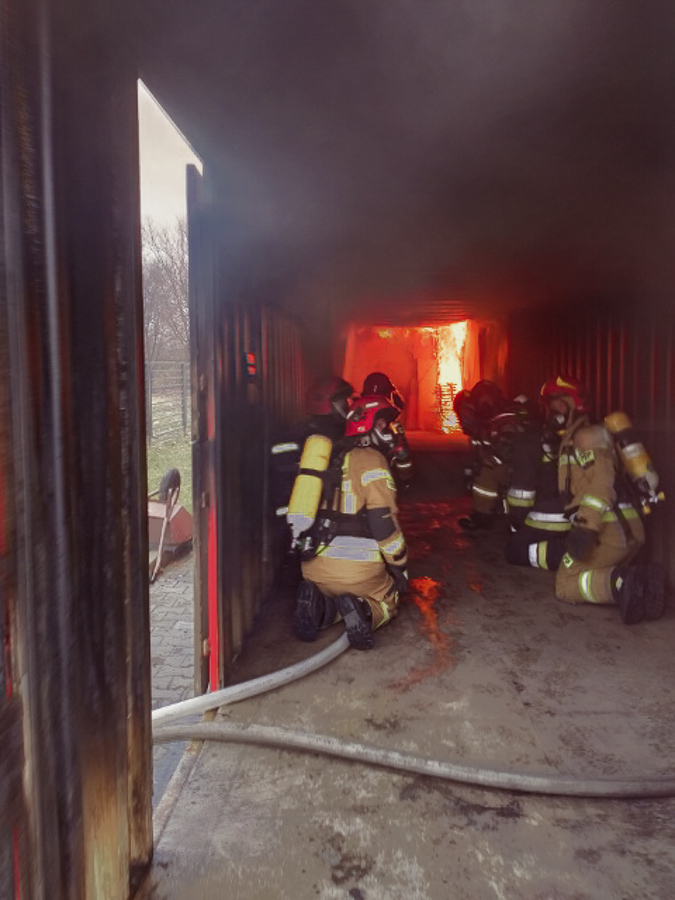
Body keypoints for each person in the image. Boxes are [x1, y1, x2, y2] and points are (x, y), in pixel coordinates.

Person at [540, 374, 665, 624]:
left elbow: (602, 486)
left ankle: (621, 583)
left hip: (609, 531)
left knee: (565, 584)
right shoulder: (579, 437)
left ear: (571, 404)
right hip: (625, 529)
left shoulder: (586, 437)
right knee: (592, 571)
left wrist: (586, 528)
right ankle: (641, 581)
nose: (553, 413)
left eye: (557, 405)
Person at [292, 393, 408, 650]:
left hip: (313, 569)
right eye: (382, 424)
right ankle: (366, 611)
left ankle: (319, 606)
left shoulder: (328, 457)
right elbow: (383, 524)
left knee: (338, 599)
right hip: (358, 573)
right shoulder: (373, 460)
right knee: (389, 598)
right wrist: (400, 564)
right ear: (365, 424)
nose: (388, 431)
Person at [269, 376, 353, 585]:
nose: (348, 405)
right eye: (343, 401)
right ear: (329, 404)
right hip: (319, 516)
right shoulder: (332, 435)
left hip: (297, 518)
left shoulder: (298, 430)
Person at [505, 418, 570, 570]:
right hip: (580, 516)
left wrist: (519, 524)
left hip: (552, 516)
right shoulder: (574, 434)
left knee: (514, 551)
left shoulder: (526, 443)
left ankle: (575, 557)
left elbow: (521, 496)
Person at [361, 371, 413, 486]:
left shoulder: (358, 406)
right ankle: (403, 482)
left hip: (362, 459)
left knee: (401, 450)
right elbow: (399, 407)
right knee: (402, 452)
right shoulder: (388, 409)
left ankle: (402, 481)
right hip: (378, 462)